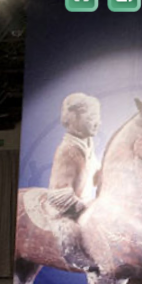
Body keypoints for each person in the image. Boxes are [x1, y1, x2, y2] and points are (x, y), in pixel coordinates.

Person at [46, 92, 101, 269]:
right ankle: (77, 257)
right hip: (67, 212)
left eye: (97, 117)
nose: (97, 122)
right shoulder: (68, 150)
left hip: (86, 205)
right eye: (91, 117)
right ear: (74, 118)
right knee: (68, 229)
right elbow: (58, 194)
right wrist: (84, 207)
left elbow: (96, 177)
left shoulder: (88, 146)